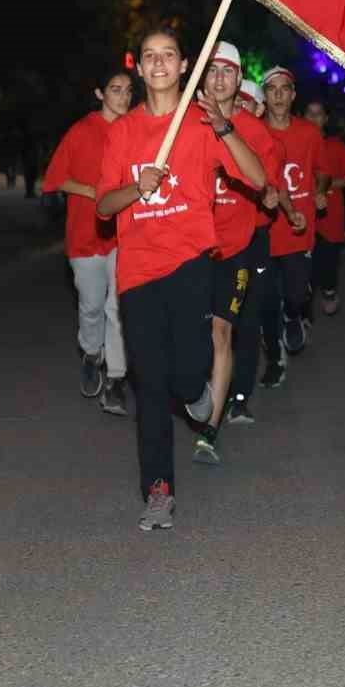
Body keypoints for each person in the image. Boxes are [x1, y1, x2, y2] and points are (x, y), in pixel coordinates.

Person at [96, 29, 265, 531]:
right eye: (149, 57)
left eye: (168, 55)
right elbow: (104, 207)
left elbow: (257, 180)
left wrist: (226, 128)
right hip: (139, 270)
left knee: (189, 372)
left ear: (183, 64)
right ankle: (159, 489)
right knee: (149, 382)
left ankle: (196, 392)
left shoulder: (202, 123)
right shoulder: (122, 132)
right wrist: (134, 188)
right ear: (140, 69)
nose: (159, 63)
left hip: (191, 263)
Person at [194, 42, 280, 463]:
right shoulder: (185, 124)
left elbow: (267, 184)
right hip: (189, 247)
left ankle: (210, 427)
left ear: (238, 78)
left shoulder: (256, 130)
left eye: (228, 71)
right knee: (189, 338)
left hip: (236, 247)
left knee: (221, 332)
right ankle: (200, 390)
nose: (220, 78)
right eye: (212, 70)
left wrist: (269, 197)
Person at [42, 70, 132, 415]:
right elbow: (54, 180)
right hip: (85, 237)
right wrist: (89, 190)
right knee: (93, 306)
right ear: (99, 93)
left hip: (123, 235)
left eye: (127, 91)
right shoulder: (81, 132)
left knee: (117, 307)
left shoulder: (133, 130)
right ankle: (92, 354)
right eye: (115, 90)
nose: (123, 97)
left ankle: (116, 380)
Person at [257, 66, 320, 385]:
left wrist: (320, 190)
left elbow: (320, 168)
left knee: (295, 294)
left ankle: (293, 315)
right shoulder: (254, 133)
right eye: (272, 89)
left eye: (285, 88)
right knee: (266, 297)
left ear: (294, 95)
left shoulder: (309, 132)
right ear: (264, 96)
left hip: (299, 227)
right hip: (265, 229)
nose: (279, 95)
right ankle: (274, 360)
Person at [305, 99, 345, 317]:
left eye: (319, 114)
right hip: (303, 216)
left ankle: (329, 290)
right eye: (309, 113)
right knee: (305, 266)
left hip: (331, 215)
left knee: (328, 262)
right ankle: (302, 314)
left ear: (326, 119)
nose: (314, 118)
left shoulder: (337, 146)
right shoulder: (295, 144)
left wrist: (323, 185)